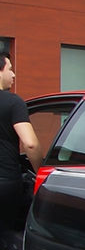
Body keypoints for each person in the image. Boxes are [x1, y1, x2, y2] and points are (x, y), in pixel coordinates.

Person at [1, 50, 43, 235]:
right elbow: (30, 144)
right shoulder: (13, 102)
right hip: (5, 182)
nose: (14, 74)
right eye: (10, 69)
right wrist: (40, 170)